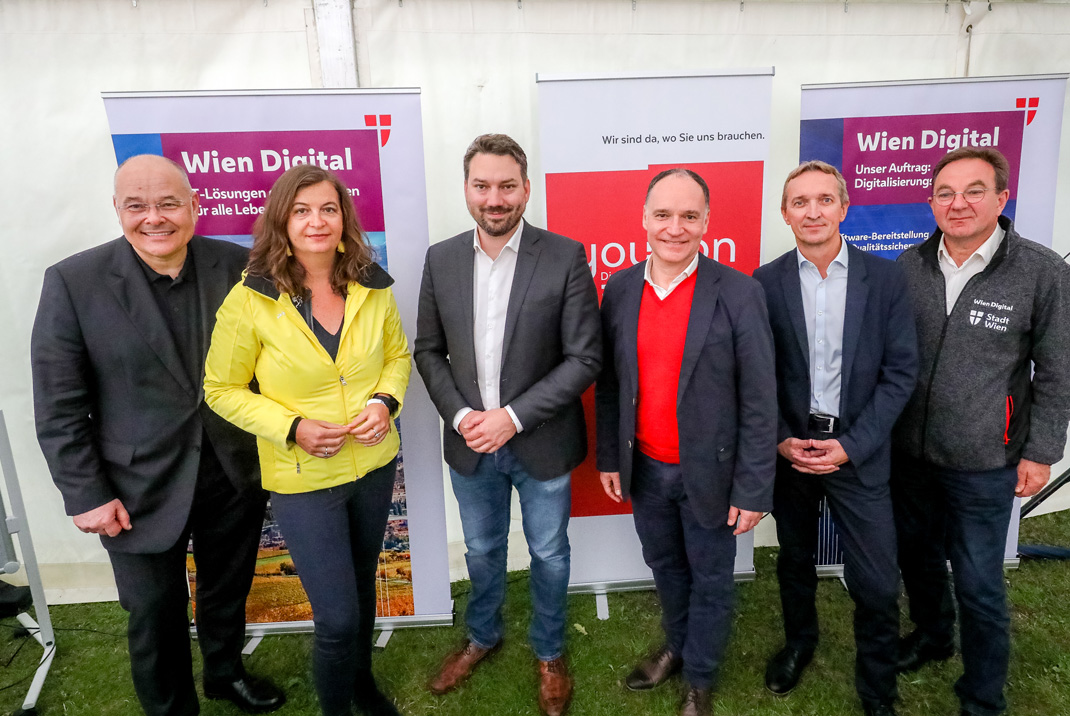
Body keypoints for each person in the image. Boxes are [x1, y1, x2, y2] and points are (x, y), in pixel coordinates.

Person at [31, 154, 284, 716]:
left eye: (169, 203)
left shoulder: (243, 268)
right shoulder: (73, 282)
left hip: (232, 470)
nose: (155, 217)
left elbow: (277, 365)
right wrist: (86, 493)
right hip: (133, 486)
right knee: (153, 611)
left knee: (226, 590)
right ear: (117, 210)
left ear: (196, 205)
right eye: (137, 205)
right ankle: (172, 708)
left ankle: (224, 673)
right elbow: (58, 403)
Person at [204, 164, 410, 716]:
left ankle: (361, 685)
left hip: (372, 464)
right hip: (302, 478)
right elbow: (220, 389)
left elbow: (396, 358)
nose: (316, 221)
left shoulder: (373, 284)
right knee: (338, 617)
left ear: (343, 219)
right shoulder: (251, 299)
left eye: (327, 208)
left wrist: (383, 403)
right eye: (301, 210)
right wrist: (292, 428)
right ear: (282, 222)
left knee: (363, 594)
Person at [413, 133, 600, 716]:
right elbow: (427, 350)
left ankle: (548, 650)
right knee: (482, 548)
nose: (495, 198)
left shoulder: (565, 255)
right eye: (482, 186)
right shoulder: (440, 258)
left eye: (506, 186)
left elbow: (584, 358)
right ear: (467, 189)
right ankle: (482, 636)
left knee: (548, 553)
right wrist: (467, 416)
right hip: (470, 444)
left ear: (526, 188)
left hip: (540, 443)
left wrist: (512, 419)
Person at [891, 147, 1070, 716]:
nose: (958, 203)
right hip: (910, 456)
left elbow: (1059, 370)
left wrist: (1041, 452)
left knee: (978, 584)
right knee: (917, 561)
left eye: (973, 190)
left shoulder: (1041, 271)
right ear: (931, 202)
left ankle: (982, 696)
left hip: (985, 462)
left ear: (1001, 197)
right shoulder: (908, 267)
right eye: (945, 192)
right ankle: (933, 636)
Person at [595, 168, 777, 716]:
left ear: (706, 222)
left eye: (689, 216)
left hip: (712, 475)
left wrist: (752, 487)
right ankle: (676, 645)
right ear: (644, 219)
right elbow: (610, 385)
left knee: (711, 577)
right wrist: (610, 456)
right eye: (664, 215)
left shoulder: (739, 292)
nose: (676, 228)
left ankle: (700, 677)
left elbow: (760, 399)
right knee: (665, 567)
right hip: (646, 469)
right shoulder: (622, 288)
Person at [753, 161, 917, 716]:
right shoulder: (764, 282)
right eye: (800, 202)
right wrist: (778, 438)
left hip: (859, 450)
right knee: (795, 558)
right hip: (792, 453)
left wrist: (853, 444)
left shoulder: (887, 279)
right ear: (785, 213)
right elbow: (756, 375)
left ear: (844, 208)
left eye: (825, 199)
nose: (813, 211)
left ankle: (877, 690)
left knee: (875, 581)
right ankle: (800, 641)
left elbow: (901, 373)